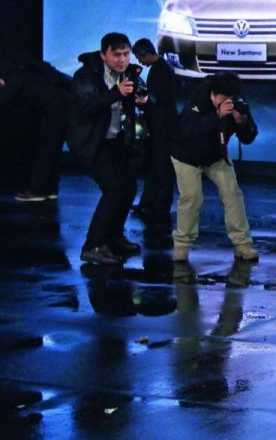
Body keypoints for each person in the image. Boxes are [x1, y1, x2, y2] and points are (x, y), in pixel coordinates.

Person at [68, 32, 148, 266]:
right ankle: (92, 246)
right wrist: (116, 93)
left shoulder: (130, 73)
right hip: (94, 142)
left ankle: (114, 237)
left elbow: (142, 94)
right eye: (117, 55)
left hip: (118, 141)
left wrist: (143, 99)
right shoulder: (86, 75)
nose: (122, 60)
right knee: (114, 189)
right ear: (104, 55)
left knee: (129, 187)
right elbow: (84, 107)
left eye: (126, 54)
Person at [170, 72, 259, 263]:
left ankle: (242, 244)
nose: (228, 102)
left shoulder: (237, 104)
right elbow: (188, 132)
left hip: (216, 156)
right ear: (214, 94)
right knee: (192, 197)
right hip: (186, 156)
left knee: (232, 194)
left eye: (231, 98)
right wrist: (217, 115)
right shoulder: (197, 99)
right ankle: (182, 247)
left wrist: (242, 122)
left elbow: (249, 137)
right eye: (224, 98)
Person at [0, 51, 71, 202]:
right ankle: (50, 188)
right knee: (52, 149)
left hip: (56, 108)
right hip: (63, 104)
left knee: (47, 148)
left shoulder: (13, 78)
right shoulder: (23, 69)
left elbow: (5, 97)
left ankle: (38, 191)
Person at [131, 37, 181, 224]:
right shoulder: (161, 68)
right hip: (158, 126)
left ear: (145, 53)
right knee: (154, 165)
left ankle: (159, 205)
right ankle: (149, 202)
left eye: (139, 57)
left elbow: (164, 97)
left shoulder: (163, 69)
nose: (139, 61)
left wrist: (147, 100)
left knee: (161, 167)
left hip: (163, 127)